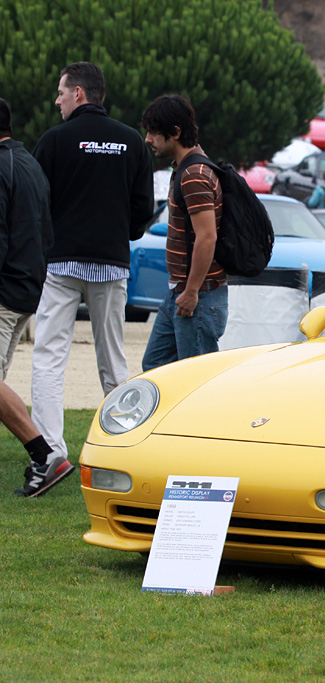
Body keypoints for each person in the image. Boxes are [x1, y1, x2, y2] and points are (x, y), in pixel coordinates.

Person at [31, 62, 153, 463]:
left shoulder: (54, 141)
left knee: (49, 358)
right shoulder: (131, 141)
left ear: (79, 93)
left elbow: (37, 204)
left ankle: (50, 454)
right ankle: (124, 450)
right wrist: (120, 234)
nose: (57, 100)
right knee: (114, 362)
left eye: (61, 92)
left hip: (62, 263)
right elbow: (142, 210)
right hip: (111, 264)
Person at [0, 99, 74, 498]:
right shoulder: (29, 162)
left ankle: (44, 455)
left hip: (6, 290)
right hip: (27, 288)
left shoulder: (3, 166)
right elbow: (46, 231)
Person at [140, 94, 227, 371]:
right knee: (155, 367)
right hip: (180, 292)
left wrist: (191, 292)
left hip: (198, 296)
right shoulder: (186, 168)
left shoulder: (195, 175)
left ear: (175, 132)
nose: (148, 139)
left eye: (154, 132)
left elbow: (207, 237)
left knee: (195, 381)